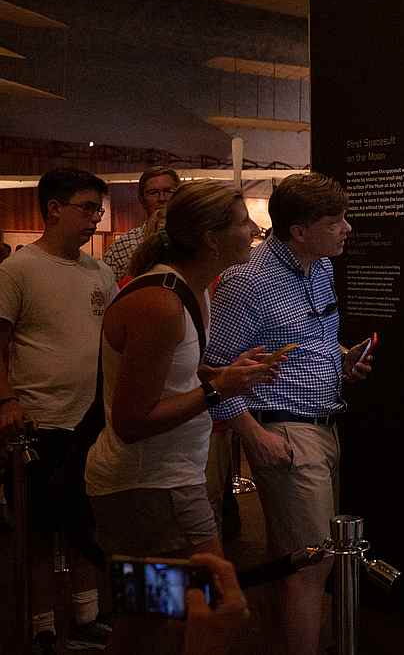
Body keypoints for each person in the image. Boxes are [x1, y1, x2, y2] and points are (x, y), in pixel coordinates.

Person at [84, 179, 274, 653]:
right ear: (211, 238)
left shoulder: (189, 290)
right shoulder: (161, 302)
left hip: (159, 485)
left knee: (146, 622)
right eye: (243, 222)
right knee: (199, 613)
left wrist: (222, 372)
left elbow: (172, 373)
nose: (254, 230)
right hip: (151, 488)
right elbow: (132, 421)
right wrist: (218, 387)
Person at [204, 172, 372, 655]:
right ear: (299, 231)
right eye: (335, 220)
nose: (347, 229)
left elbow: (308, 342)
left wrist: (342, 361)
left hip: (322, 425)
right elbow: (214, 369)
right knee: (310, 564)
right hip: (286, 430)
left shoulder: (318, 267)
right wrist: (253, 434)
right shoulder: (248, 283)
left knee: (302, 561)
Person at [0, 167, 117, 652]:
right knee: (42, 530)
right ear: (54, 209)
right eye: (88, 207)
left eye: (98, 209)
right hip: (41, 420)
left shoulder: (101, 271)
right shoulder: (18, 270)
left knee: (88, 525)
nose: (96, 217)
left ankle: (87, 614)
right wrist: (7, 400)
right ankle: (44, 622)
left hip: (93, 420)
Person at [102, 166, 180, 283]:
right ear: (142, 199)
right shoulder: (123, 247)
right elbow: (108, 292)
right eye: (153, 193)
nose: (162, 198)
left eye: (168, 191)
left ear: (179, 194)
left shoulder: (193, 240)